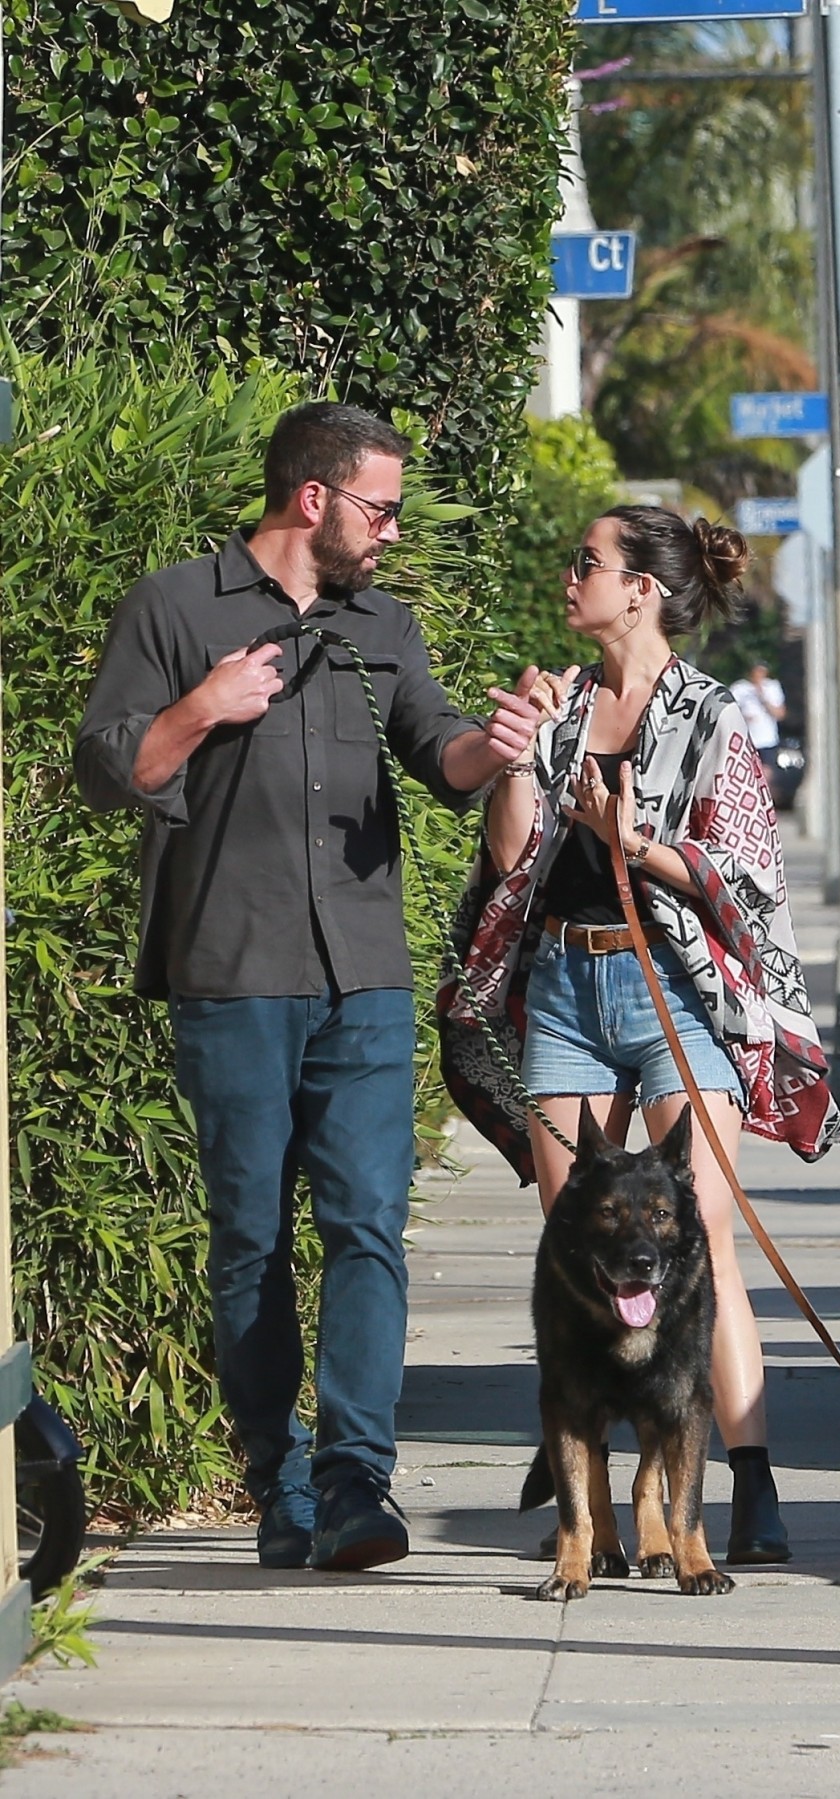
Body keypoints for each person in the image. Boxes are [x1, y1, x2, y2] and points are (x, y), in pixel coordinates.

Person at [75, 402, 548, 1573]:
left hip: (364, 974)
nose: (390, 529)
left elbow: (438, 752)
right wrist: (203, 706)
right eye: (379, 508)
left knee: (367, 1228)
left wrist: (500, 743)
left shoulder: (381, 622)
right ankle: (275, 1479)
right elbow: (108, 769)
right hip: (230, 968)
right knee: (248, 1238)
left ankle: (357, 1485)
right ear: (312, 498)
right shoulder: (177, 609)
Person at [439, 506, 840, 1565]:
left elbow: (750, 885)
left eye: (589, 562)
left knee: (697, 1242)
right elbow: (515, 855)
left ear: (643, 590)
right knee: (582, 1245)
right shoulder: (565, 704)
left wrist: (644, 845)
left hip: (672, 987)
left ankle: (741, 1486)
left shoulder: (712, 717)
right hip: (568, 985)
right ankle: (597, 1509)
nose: (570, 574)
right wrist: (520, 755)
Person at [731, 660, 786, 769]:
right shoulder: (739, 688)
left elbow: (780, 714)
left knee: (767, 774)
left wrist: (763, 697)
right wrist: (743, 718)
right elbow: (730, 712)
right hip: (746, 743)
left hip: (767, 741)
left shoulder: (772, 687)